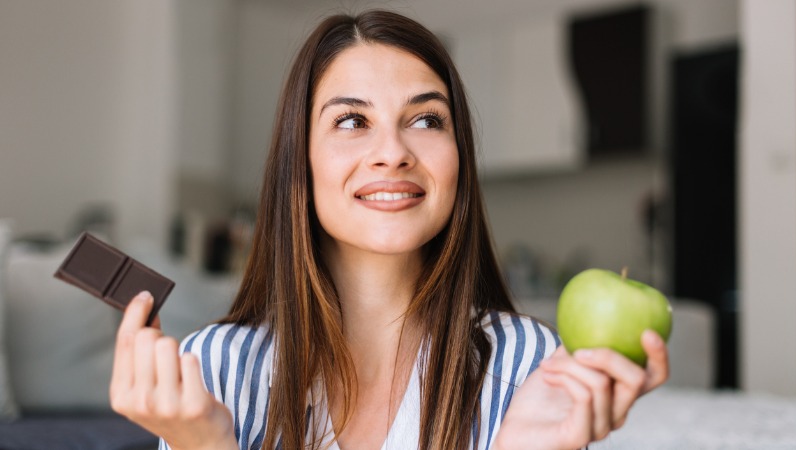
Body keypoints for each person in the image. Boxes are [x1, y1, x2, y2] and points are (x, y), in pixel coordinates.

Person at [109, 10, 669, 450]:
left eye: (426, 119)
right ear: (299, 162)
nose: (392, 153)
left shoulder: (529, 365)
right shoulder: (217, 368)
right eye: (352, 121)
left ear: (459, 159)